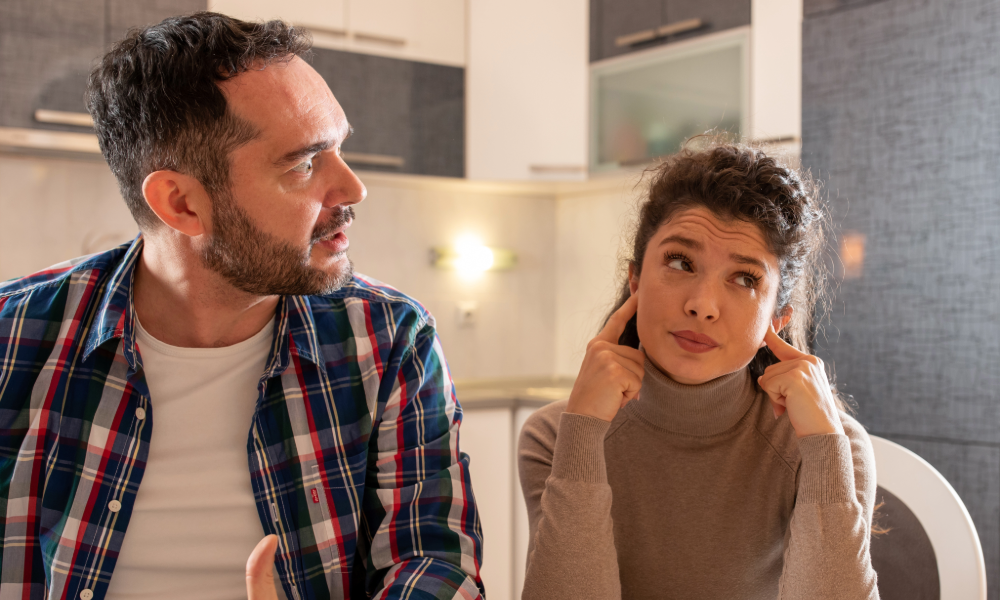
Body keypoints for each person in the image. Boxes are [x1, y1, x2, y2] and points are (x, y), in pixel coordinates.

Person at [0, 12, 484, 600]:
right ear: (180, 204)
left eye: (338, 148)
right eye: (304, 163)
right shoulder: (15, 335)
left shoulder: (388, 338)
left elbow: (437, 561)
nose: (353, 188)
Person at [518, 141, 880, 599]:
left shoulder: (834, 447)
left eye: (745, 279)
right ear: (635, 282)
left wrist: (825, 455)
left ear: (778, 319)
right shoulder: (554, 436)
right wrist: (584, 434)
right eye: (679, 262)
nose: (702, 306)